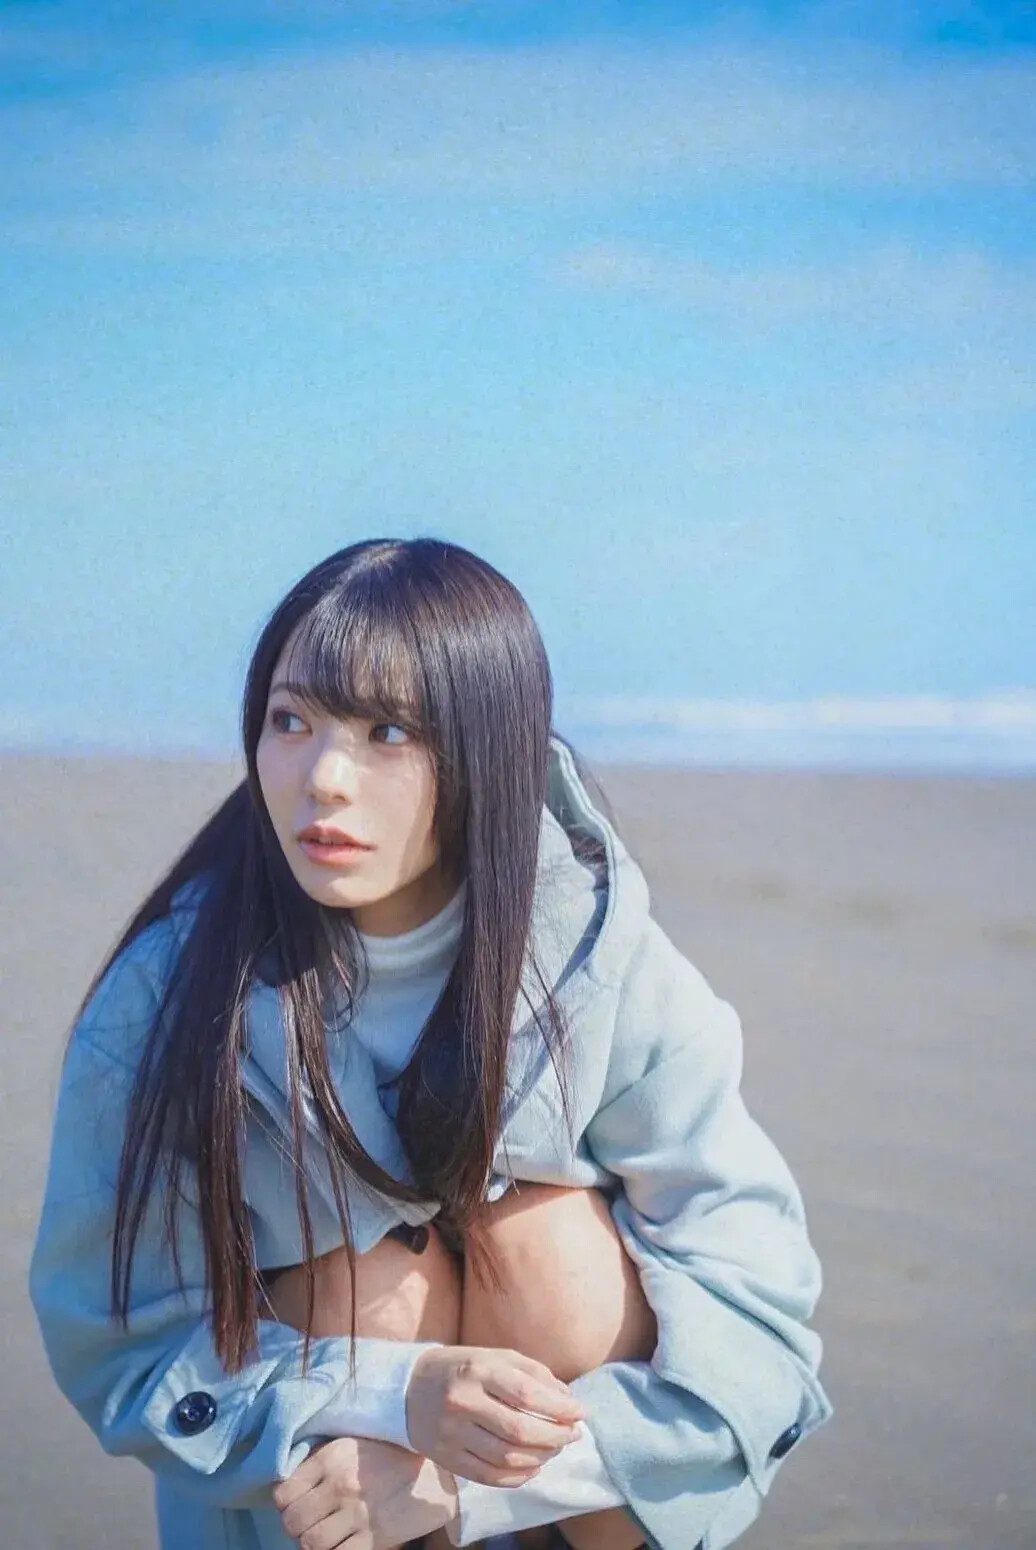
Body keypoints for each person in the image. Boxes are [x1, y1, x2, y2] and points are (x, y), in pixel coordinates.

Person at [29, 537, 832, 1550]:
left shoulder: (598, 959)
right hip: (319, 1503)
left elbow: (755, 1313)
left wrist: (473, 1488)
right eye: (291, 720)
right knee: (365, 1288)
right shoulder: (168, 995)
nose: (324, 777)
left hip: (562, 1510)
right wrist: (389, 1396)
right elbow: (117, 1337)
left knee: (540, 1247)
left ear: (486, 749)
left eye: (388, 730)